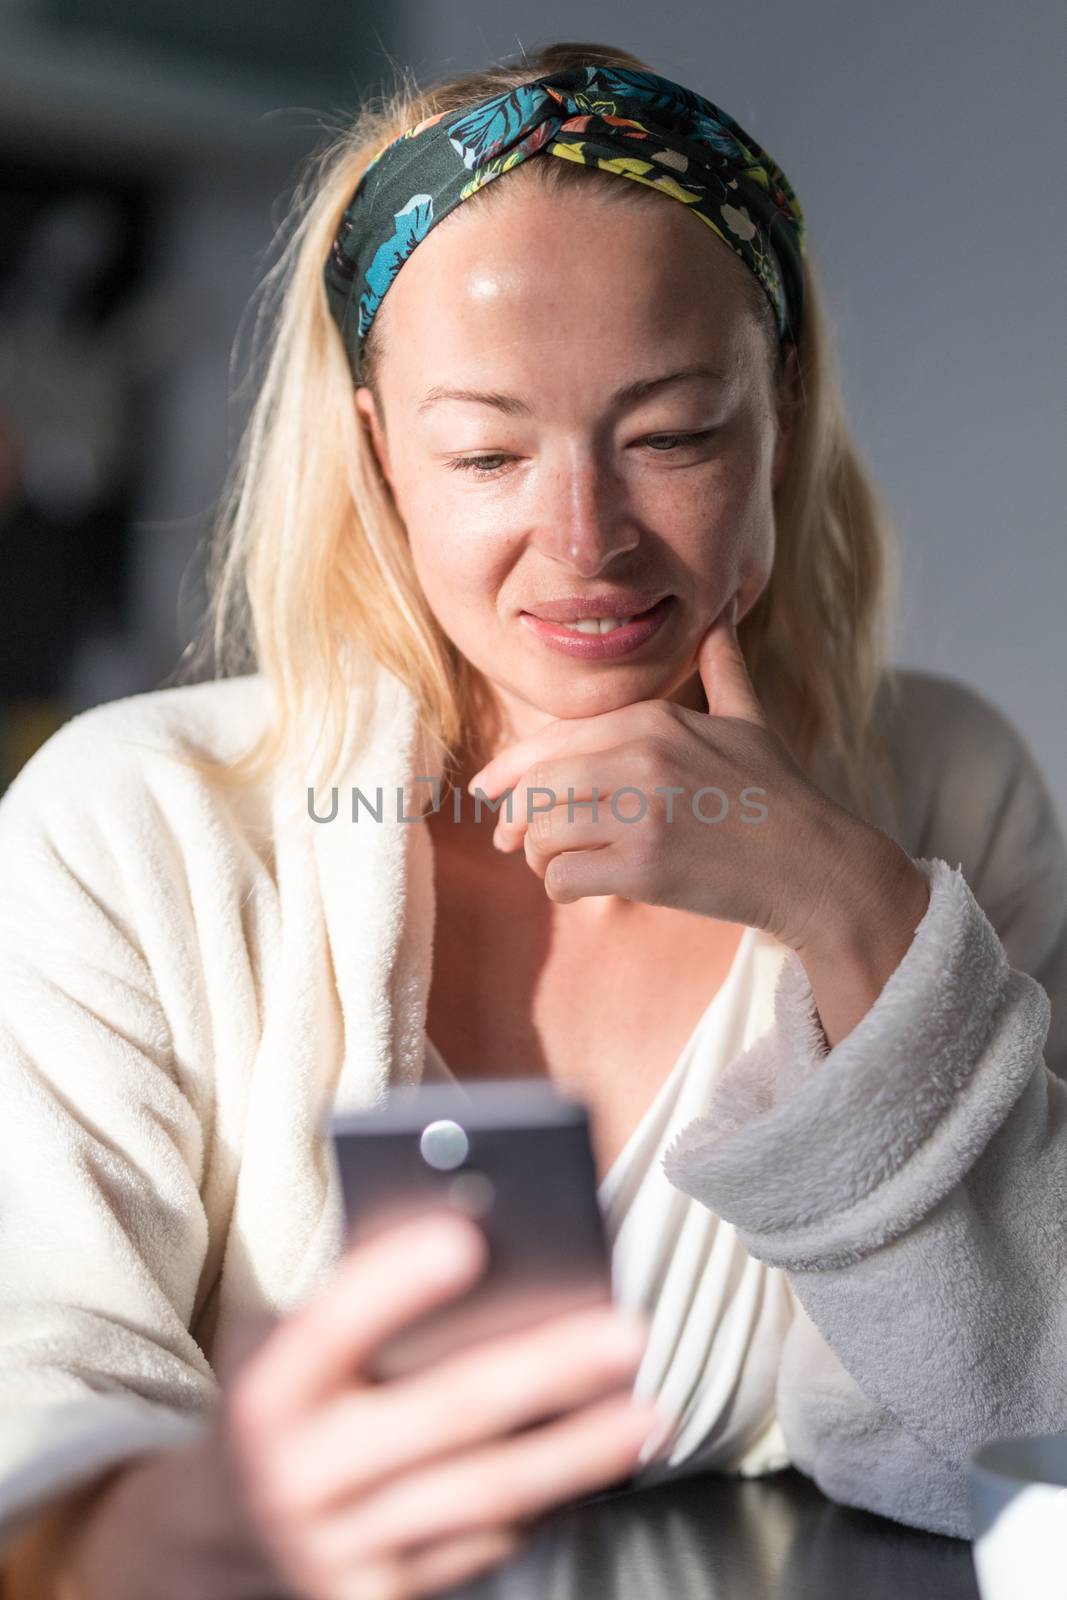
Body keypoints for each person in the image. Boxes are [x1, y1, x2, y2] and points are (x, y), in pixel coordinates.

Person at [2, 36, 1066, 1600]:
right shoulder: (132, 826)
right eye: (487, 450)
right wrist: (131, 1533)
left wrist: (852, 912)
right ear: (379, 456)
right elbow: (32, 1370)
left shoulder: (943, 786)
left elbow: (1031, 1432)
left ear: (782, 411)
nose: (583, 541)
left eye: (673, 436)